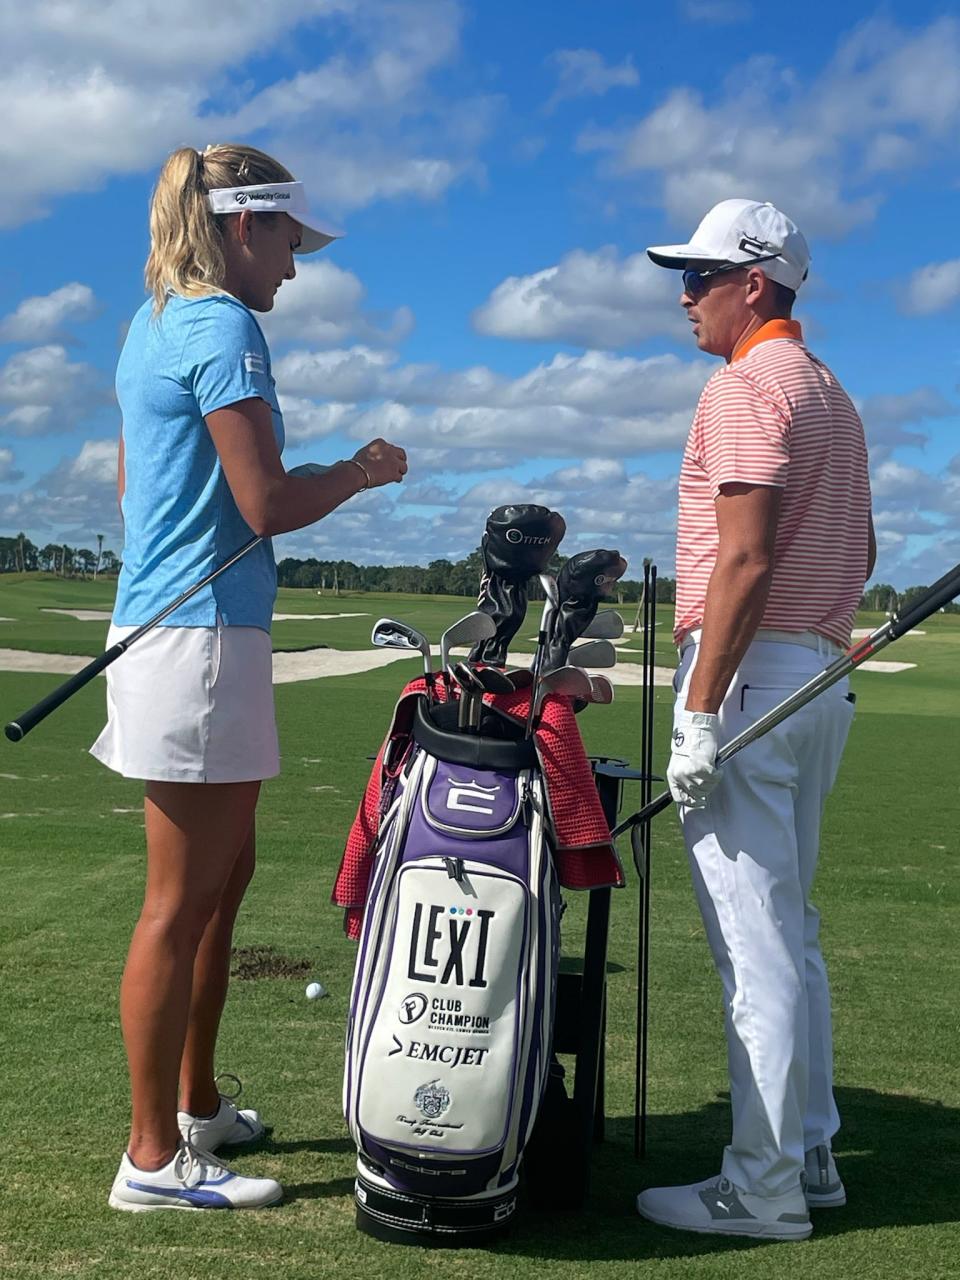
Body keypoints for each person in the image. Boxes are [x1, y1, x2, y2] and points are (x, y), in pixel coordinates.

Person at [91, 143, 407, 1211]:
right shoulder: (226, 326)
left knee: (223, 889)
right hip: (200, 644)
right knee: (179, 905)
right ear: (243, 227)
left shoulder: (152, 323)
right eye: (287, 240)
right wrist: (361, 472)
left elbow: (138, 483)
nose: (295, 265)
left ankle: (196, 1103)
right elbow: (266, 503)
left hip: (176, 634)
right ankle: (151, 1158)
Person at [636, 199, 875, 1241]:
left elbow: (742, 557)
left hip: (748, 678)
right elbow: (858, 553)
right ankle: (810, 1153)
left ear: (756, 282)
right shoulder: (836, 396)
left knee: (757, 943)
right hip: (818, 680)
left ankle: (763, 1184)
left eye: (699, 275)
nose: (683, 294)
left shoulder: (741, 386)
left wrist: (697, 714)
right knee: (795, 929)